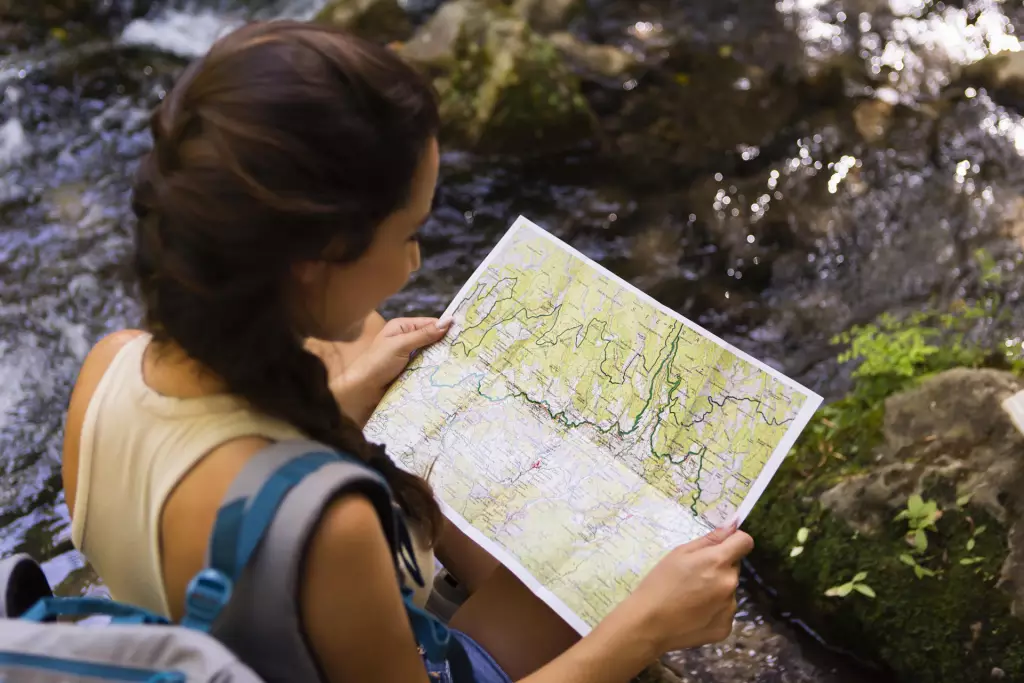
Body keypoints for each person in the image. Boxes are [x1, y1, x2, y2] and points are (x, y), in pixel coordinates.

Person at [60, 20, 754, 683]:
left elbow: (212, 492)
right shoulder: (331, 524)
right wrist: (646, 626)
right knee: (611, 567)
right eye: (409, 232)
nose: (418, 261)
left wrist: (335, 410)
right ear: (317, 257)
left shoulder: (110, 366)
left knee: (368, 346)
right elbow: (281, 530)